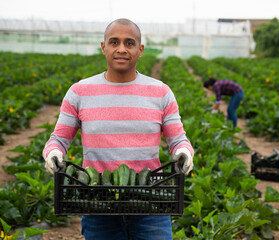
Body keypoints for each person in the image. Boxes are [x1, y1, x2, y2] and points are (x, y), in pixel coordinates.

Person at [43, 18, 194, 240]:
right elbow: (59, 139)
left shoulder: (161, 92)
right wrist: (53, 153)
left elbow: (178, 139)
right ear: (104, 47)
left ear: (140, 50)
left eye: (129, 43)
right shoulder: (79, 92)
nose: (121, 49)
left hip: (149, 202)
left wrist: (184, 152)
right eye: (114, 42)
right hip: (97, 203)